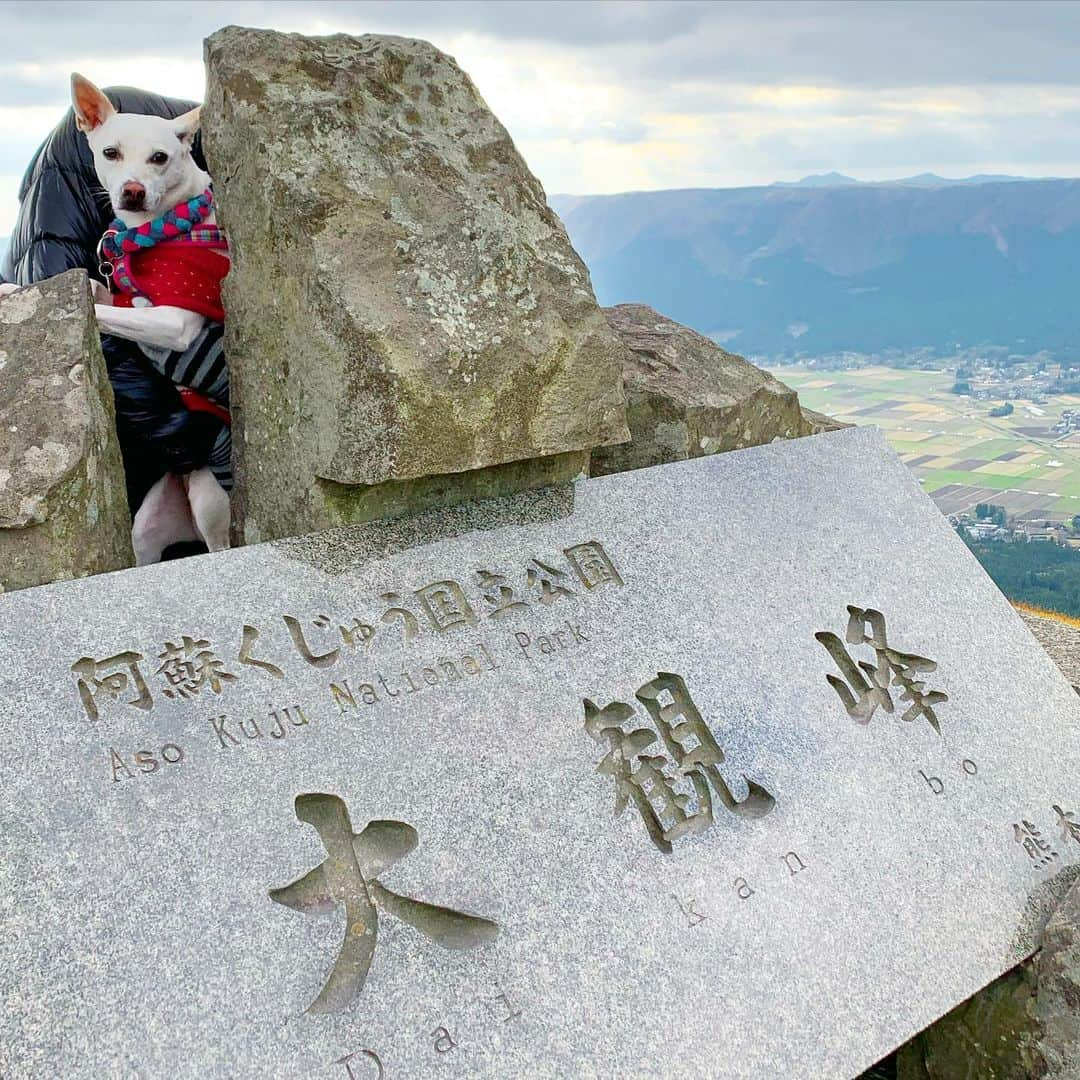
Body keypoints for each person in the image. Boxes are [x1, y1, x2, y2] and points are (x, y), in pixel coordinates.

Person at [0, 86, 228, 522]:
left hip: (208, 425)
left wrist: (75, 310)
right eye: (113, 156)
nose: (133, 180)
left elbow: (178, 331)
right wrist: (41, 297)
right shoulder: (133, 238)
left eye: (155, 160)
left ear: (185, 146)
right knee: (142, 535)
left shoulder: (194, 241)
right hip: (169, 419)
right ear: (88, 130)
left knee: (205, 513)